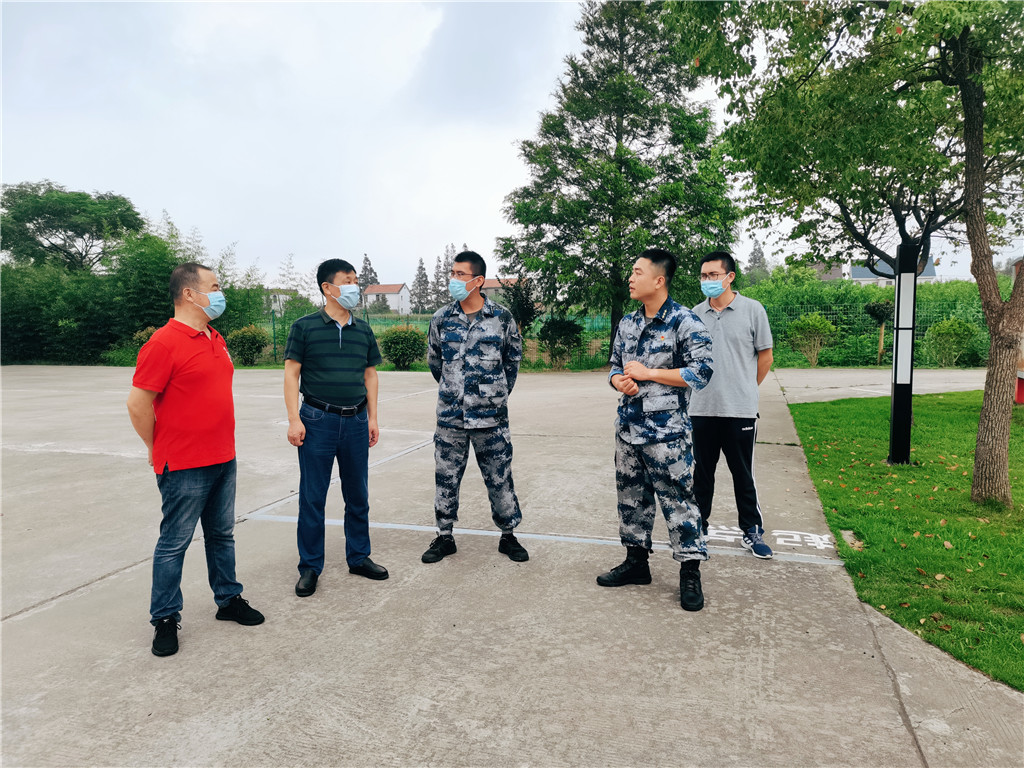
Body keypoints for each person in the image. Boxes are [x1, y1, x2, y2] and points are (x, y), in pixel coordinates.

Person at [127, 262, 264, 658]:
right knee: (175, 543)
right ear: (189, 293)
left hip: (223, 456)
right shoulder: (163, 343)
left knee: (222, 535)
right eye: (214, 287)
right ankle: (165, 617)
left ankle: (228, 599)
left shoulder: (215, 337)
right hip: (184, 464)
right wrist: (155, 445)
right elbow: (137, 404)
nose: (220, 294)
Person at [598, 248, 714, 612]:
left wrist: (650, 374)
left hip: (667, 435)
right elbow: (614, 365)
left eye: (638, 272)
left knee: (679, 503)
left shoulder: (685, 322)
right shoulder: (628, 323)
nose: (630, 278)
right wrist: (619, 381)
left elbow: (702, 372)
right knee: (631, 499)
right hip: (628, 430)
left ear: (659, 280)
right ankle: (636, 563)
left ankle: (690, 571)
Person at [284, 259, 388, 597]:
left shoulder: (363, 330)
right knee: (312, 497)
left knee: (358, 494)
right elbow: (291, 374)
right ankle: (310, 566)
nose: (354, 287)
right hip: (317, 420)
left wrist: (372, 418)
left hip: (356, 420)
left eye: (356, 280)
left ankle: (359, 557)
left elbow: (370, 375)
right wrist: (294, 419)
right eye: (347, 281)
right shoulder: (304, 327)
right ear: (328, 288)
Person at [420, 250, 527, 564]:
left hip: (491, 418)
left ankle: (508, 536)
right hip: (450, 418)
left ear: (478, 280)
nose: (453, 279)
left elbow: (512, 362)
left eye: (460, 274)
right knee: (446, 478)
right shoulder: (441, 318)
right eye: (452, 273)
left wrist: (493, 396)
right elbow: (435, 361)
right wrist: (455, 390)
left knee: (500, 478)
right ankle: (444, 536)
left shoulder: (501, 318)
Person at [690, 250, 775, 559]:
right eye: (703, 275)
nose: (708, 280)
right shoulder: (694, 314)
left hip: (740, 410)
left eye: (713, 275)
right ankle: (698, 527)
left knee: (743, 474)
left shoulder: (753, 310)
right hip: (701, 408)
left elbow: (765, 357)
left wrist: (746, 388)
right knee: (701, 474)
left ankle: (751, 530)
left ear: (729, 277)